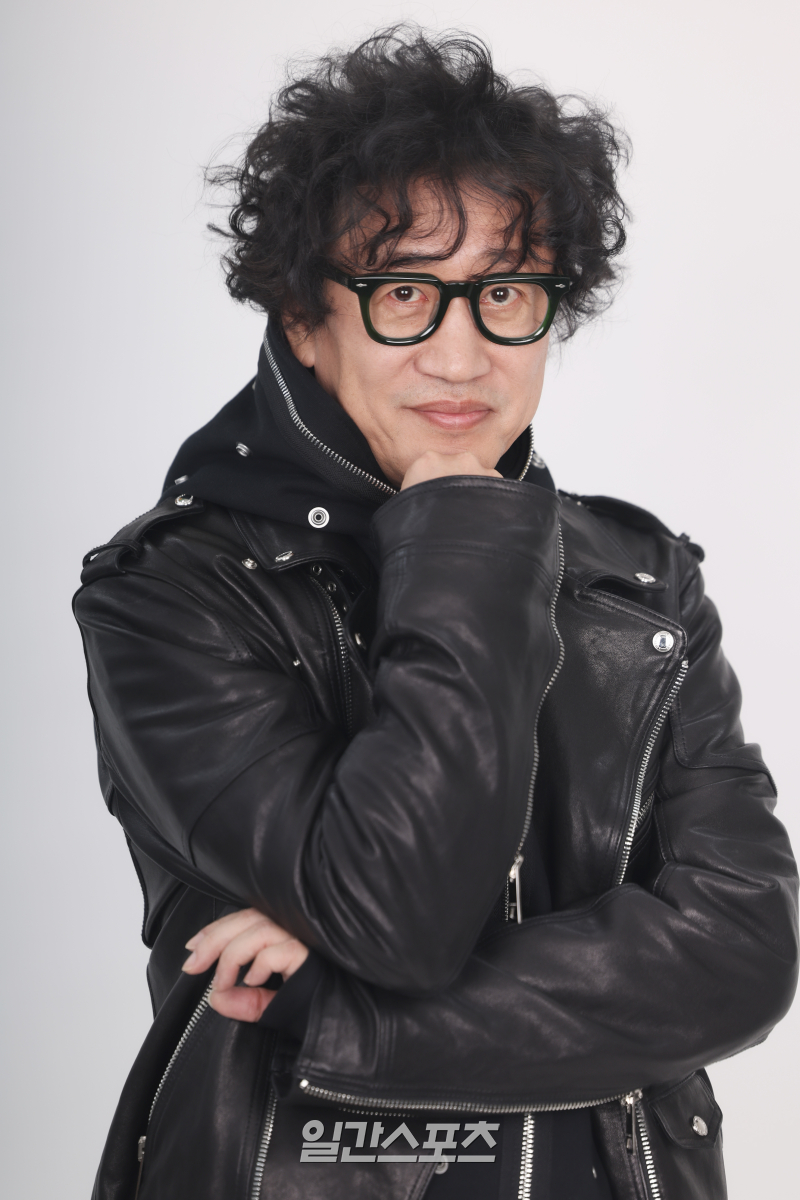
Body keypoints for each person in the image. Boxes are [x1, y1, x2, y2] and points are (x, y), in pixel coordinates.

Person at [73, 28, 798, 1200]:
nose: (460, 358)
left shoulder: (639, 584)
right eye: (404, 294)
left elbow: (745, 959)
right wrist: (460, 522)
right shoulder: (176, 594)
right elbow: (396, 914)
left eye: (504, 294)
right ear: (302, 318)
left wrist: (331, 1002)